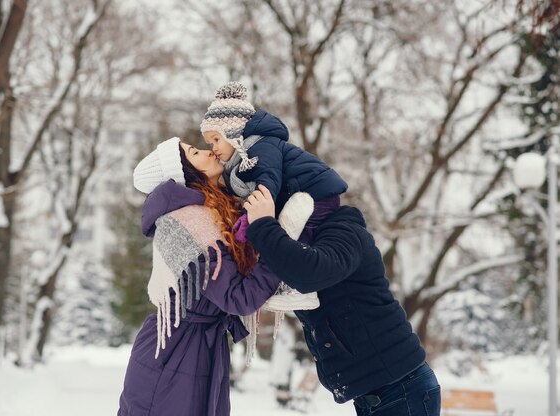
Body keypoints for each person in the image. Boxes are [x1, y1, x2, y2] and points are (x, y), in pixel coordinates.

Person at [243, 185, 442, 416]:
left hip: (401, 390)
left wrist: (262, 225)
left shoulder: (344, 232)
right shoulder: (311, 244)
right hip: (379, 393)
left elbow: (308, 273)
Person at [117, 137, 281, 416]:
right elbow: (238, 297)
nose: (207, 151)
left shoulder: (212, 212)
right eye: (194, 152)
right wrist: (280, 247)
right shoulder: (188, 223)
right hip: (175, 355)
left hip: (193, 347)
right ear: (183, 172)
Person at [199, 81, 347, 243]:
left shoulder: (261, 146)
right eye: (210, 143)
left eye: (216, 139)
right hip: (300, 195)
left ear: (233, 133)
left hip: (317, 191)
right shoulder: (236, 165)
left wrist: (250, 217)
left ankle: (293, 262)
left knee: (291, 238)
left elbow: (268, 178)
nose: (214, 148)